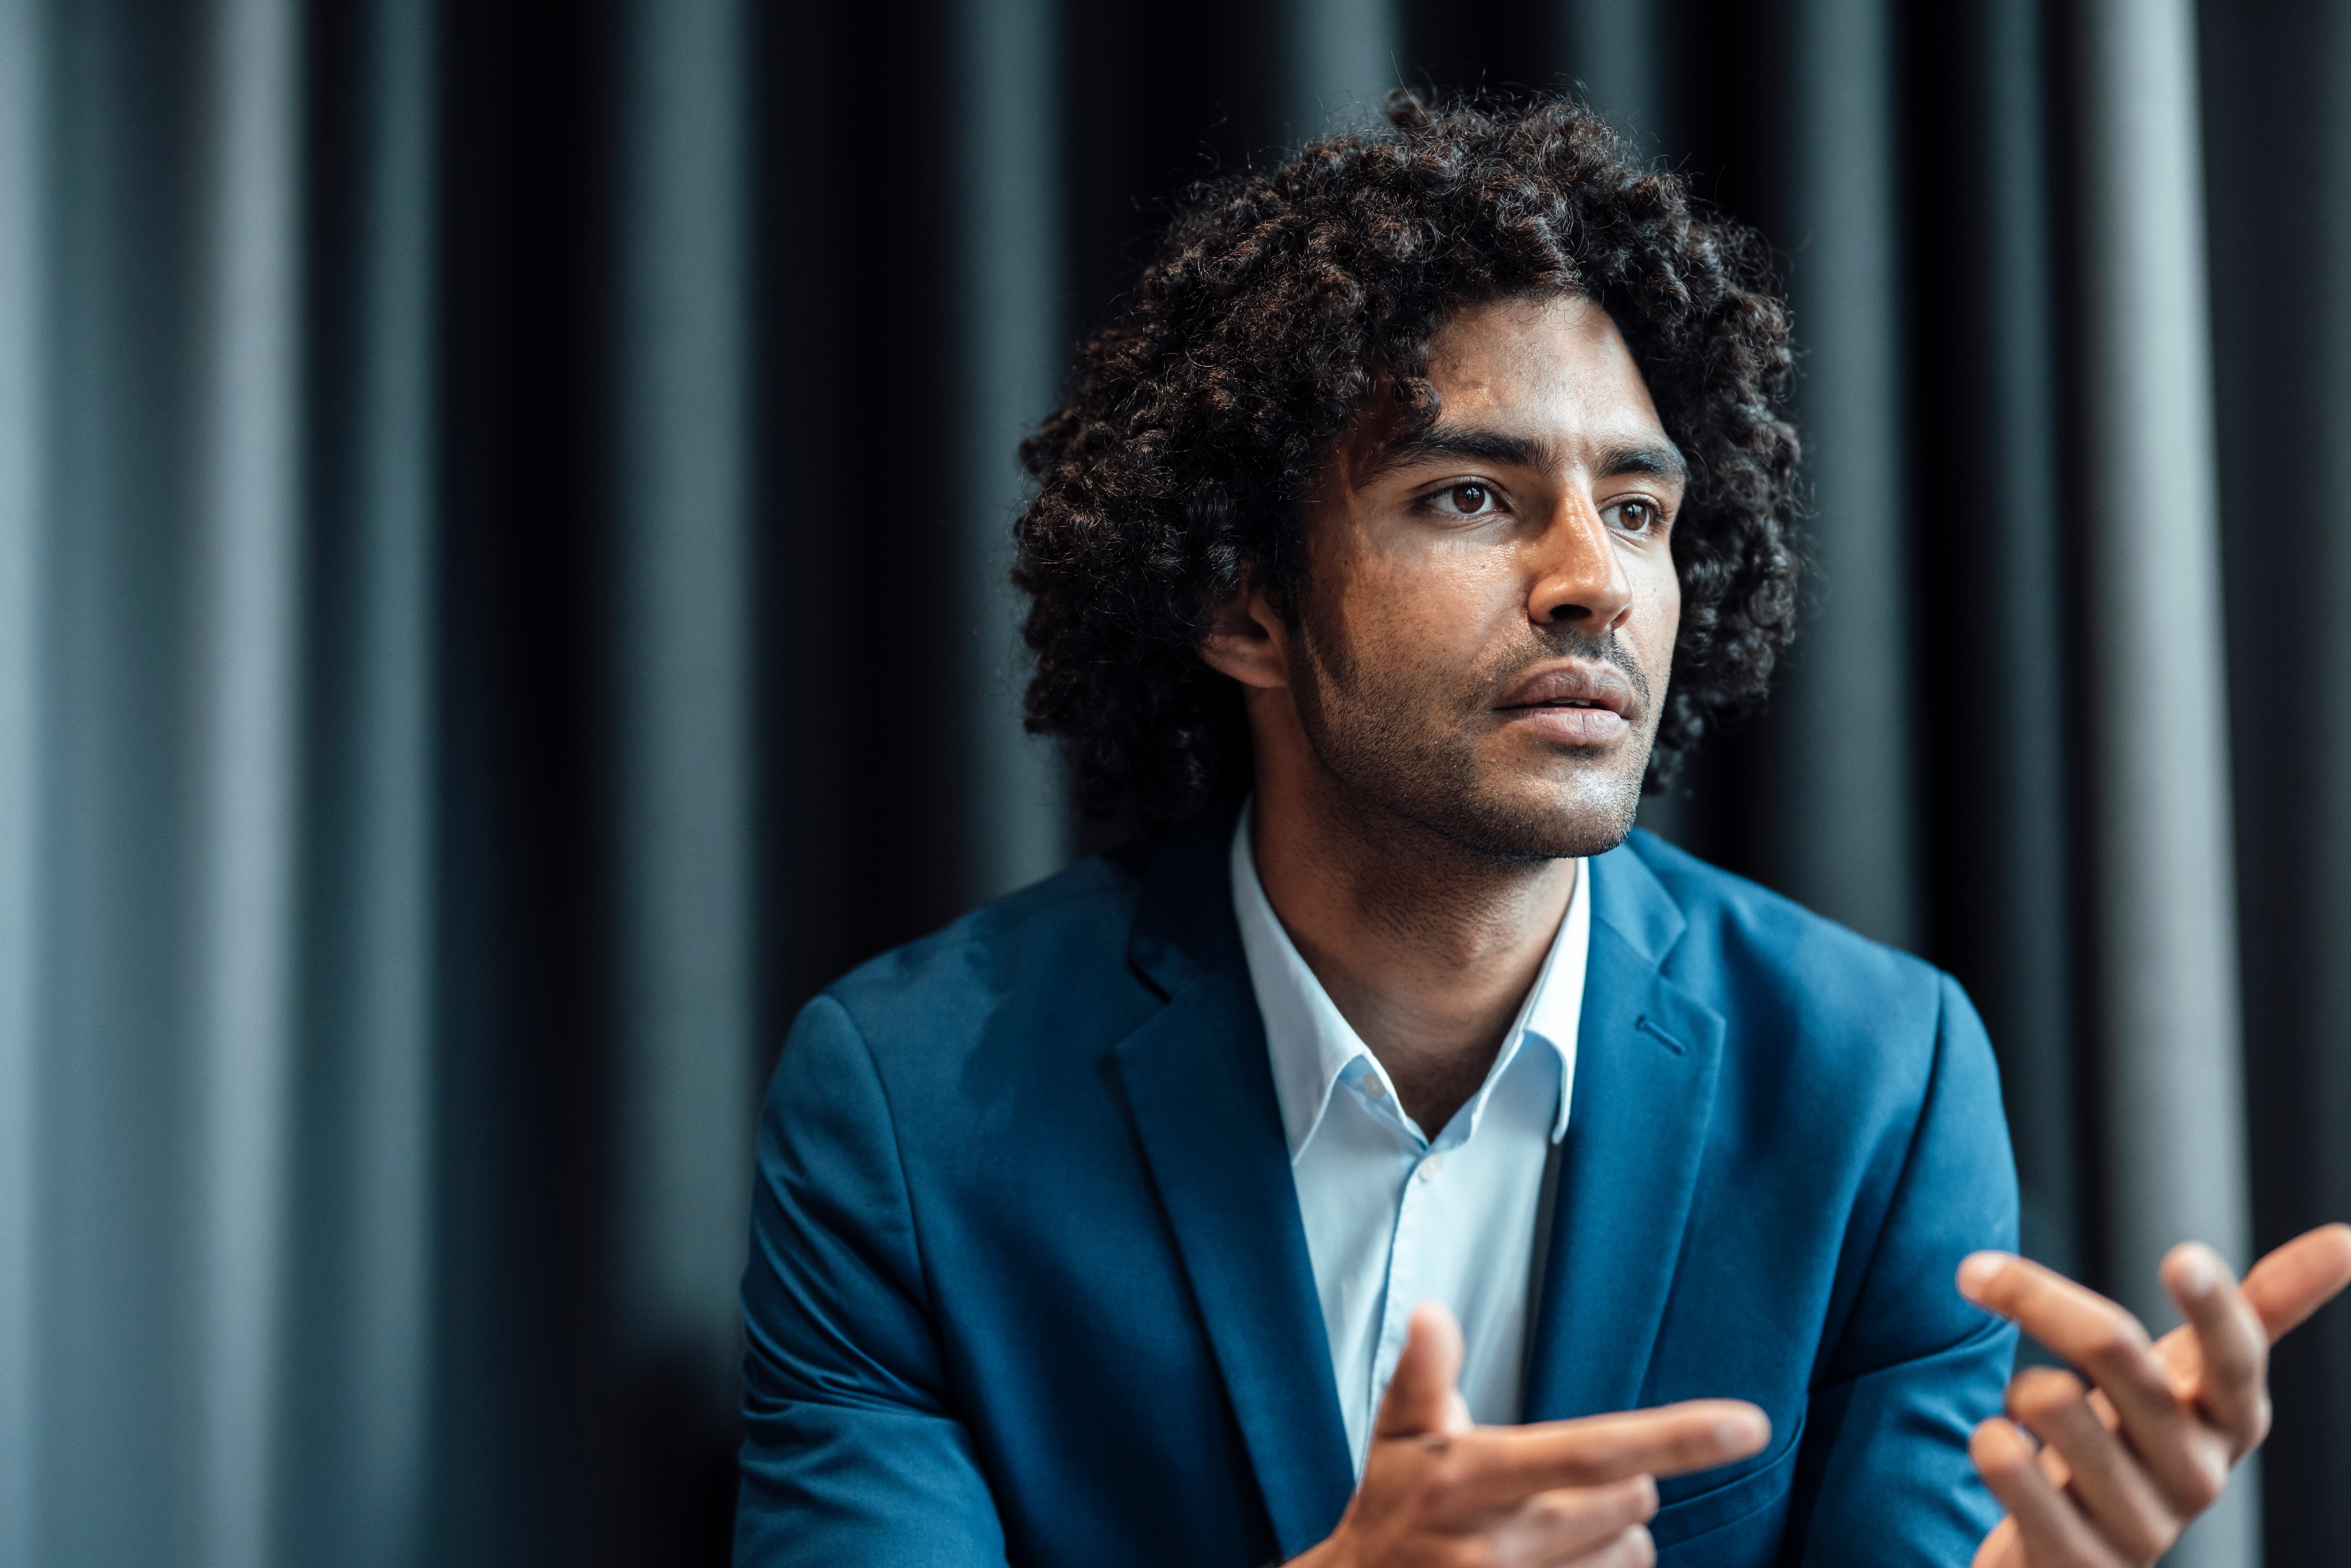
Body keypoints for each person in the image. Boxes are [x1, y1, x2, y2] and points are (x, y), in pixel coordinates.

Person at [733, 92, 2351, 1567]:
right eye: (1471, 496)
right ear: (1241, 603)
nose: (1595, 581)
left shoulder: (1880, 1080)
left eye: (1638, 510)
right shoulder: (911, 1105)